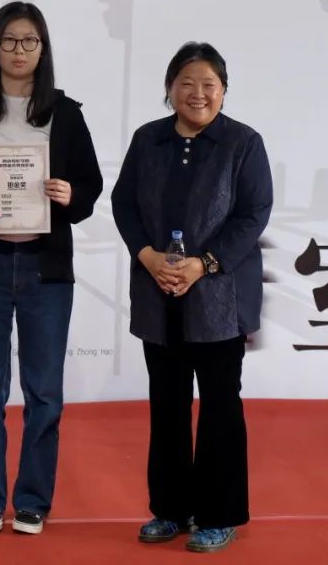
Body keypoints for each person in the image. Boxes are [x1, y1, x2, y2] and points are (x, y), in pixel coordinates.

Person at [0, 2, 103, 535]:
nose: (18, 51)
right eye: (9, 40)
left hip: (44, 269)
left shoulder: (65, 112)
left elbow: (91, 184)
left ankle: (32, 499)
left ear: (43, 49)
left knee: (44, 393)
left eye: (29, 41)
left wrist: (70, 194)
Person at [110, 41, 273, 553]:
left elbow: (254, 213)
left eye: (209, 84)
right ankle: (170, 509)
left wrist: (203, 264)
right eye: (186, 83)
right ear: (169, 89)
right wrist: (147, 256)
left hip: (219, 297)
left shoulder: (243, 143)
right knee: (167, 404)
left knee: (221, 406)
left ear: (224, 91)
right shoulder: (148, 139)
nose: (197, 93)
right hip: (159, 293)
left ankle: (219, 515)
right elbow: (123, 203)